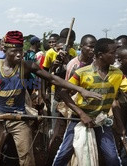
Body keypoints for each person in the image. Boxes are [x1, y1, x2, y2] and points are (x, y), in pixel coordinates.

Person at [0, 30, 102, 166]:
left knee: (26, 157)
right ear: (5, 50)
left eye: (21, 50)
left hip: (19, 118)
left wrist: (81, 89)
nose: (18, 54)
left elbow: (53, 78)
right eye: (14, 51)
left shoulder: (27, 66)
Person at [53, 38, 127, 166]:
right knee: (64, 153)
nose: (116, 56)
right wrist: (81, 114)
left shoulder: (118, 74)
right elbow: (64, 93)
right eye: (112, 53)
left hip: (102, 121)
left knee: (112, 158)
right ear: (100, 55)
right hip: (79, 119)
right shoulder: (82, 73)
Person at [46, 34, 97, 165]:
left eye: (94, 47)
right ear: (81, 47)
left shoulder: (95, 64)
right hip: (69, 105)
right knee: (60, 138)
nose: (93, 50)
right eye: (90, 47)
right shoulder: (73, 65)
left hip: (89, 107)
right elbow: (66, 90)